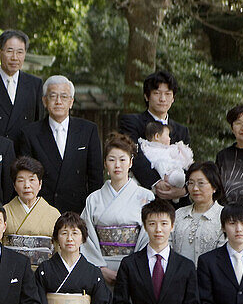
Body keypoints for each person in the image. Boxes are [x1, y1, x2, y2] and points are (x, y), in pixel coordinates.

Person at [16, 75, 103, 214]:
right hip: (42, 210)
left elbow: (96, 176)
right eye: (53, 96)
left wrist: (93, 210)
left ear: (71, 102)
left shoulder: (88, 130)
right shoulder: (30, 133)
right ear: (44, 101)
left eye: (64, 96)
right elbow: (27, 176)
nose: (58, 102)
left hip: (78, 210)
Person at [79, 133, 155, 284]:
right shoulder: (94, 199)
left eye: (122, 159)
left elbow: (149, 234)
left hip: (136, 267)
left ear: (131, 162)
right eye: (112, 160)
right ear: (105, 163)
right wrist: (100, 268)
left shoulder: (146, 197)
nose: (117, 165)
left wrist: (134, 266)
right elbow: (84, 235)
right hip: (101, 267)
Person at [118, 70, 190, 203]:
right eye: (157, 93)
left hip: (176, 202)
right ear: (147, 96)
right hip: (142, 197)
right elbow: (133, 154)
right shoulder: (131, 122)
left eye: (168, 94)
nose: (163, 99)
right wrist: (156, 182)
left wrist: (184, 190)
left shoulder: (182, 131)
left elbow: (186, 164)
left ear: (173, 98)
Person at [3, 157, 61, 270]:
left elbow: (59, 250)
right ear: (14, 185)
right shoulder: (4, 212)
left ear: (40, 184)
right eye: (20, 180)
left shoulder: (53, 214)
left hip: (44, 273)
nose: (27, 185)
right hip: (11, 271)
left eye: (32, 180)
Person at [172, 161, 227, 265]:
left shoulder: (224, 216)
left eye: (201, 183)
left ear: (214, 187)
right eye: (191, 183)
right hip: (178, 278)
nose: (195, 188)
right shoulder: (179, 214)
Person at [138, 122, 194, 189]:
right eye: (167, 135)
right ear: (157, 136)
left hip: (172, 169)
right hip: (161, 173)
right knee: (179, 179)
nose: (170, 138)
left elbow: (179, 157)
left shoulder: (169, 148)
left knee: (181, 178)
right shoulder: (147, 148)